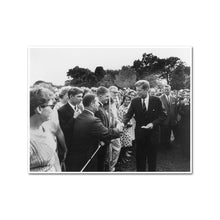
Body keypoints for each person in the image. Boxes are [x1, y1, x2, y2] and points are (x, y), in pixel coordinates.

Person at [65, 94, 121, 171]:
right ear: (92, 104)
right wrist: (118, 128)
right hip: (88, 156)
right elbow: (107, 133)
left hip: (77, 156)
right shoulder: (93, 120)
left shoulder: (80, 116)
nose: (99, 104)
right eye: (97, 102)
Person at [123, 80, 166, 171]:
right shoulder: (134, 101)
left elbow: (163, 115)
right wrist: (123, 123)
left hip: (153, 135)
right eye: (136, 90)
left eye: (139, 90)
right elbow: (128, 115)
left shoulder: (156, 100)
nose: (137, 93)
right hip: (140, 135)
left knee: (152, 159)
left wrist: (153, 124)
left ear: (147, 89)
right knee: (140, 159)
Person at [30, 87, 61, 172]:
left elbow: (53, 155)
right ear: (39, 109)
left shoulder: (44, 127)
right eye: (51, 106)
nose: (52, 110)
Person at [95, 86, 111, 171]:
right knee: (100, 163)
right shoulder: (97, 108)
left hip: (105, 139)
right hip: (101, 141)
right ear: (100, 96)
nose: (108, 99)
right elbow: (97, 127)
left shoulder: (101, 106)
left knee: (103, 161)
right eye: (107, 96)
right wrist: (100, 140)